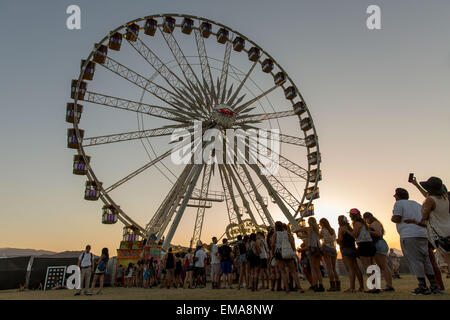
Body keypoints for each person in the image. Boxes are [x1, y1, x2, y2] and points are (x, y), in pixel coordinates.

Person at [391, 187, 440, 295]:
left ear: (397, 196)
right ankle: (434, 286)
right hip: (422, 234)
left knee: (415, 260)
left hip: (409, 235)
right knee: (426, 261)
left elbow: (397, 218)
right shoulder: (417, 204)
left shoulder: (399, 204)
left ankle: (422, 287)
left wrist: (392, 218)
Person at [417, 177, 450, 267]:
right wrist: (415, 184)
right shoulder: (445, 199)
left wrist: (414, 222)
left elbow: (424, 217)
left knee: (447, 258)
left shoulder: (430, 200)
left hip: (439, 233)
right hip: (448, 229)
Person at [346, 208, 376, 292]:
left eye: (350, 215)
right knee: (372, 266)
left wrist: (347, 231)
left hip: (363, 245)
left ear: (352, 215)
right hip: (370, 244)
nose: (349, 216)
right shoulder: (363, 223)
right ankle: (376, 286)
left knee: (367, 267)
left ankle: (373, 287)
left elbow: (355, 235)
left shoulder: (356, 223)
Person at [363, 212, 394, 292]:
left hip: (379, 244)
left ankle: (389, 285)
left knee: (383, 266)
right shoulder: (375, 223)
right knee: (383, 266)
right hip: (379, 244)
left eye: (366, 219)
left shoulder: (374, 223)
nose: (366, 221)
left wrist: (368, 231)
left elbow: (378, 233)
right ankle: (388, 285)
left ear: (368, 218)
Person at [271, 221, 304, 294]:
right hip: (288, 252)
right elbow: (292, 243)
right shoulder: (287, 233)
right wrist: (293, 251)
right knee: (293, 271)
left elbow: (273, 244)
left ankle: (287, 289)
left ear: (275, 227)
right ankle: (299, 287)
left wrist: (273, 252)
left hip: (279, 253)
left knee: (283, 271)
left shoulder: (275, 234)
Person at [337, 215, 364, 292]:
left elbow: (340, 239)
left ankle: (352, 288)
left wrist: (338, 240)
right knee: (356, 268)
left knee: (350, 269)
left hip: (345, 249)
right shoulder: (350, 228)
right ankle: (361, 287)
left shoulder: (341, 228)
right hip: (353, 248)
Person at [319, 218, 340, 291]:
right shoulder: (332, 230)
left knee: (329, 268)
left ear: (323, 223)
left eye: (320, 223)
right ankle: (338, 285)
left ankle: (332, 286)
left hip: (326, 249)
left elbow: (319, 238)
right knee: (333, 268)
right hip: (333, 249)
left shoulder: (323, 230)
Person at [305, 217, 324, 292]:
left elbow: (308, 237)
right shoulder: (317, 230)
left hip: (312, 249)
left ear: (310, 222)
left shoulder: (309, 229)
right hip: (318, 249)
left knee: (313, 268)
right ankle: (321, 285)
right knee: (318, 268)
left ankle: (315, 285)